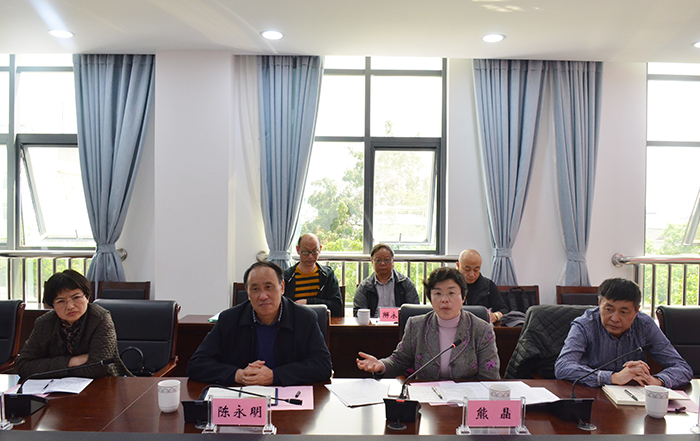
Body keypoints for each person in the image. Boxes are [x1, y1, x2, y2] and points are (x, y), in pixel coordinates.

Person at [187, 261, 332, 386]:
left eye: (269, 287)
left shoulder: (304, 319)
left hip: (288, 397)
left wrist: (274, 376)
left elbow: (323, 366)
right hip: (243, 396)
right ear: (248, 292)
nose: (263, 296)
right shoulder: (229, 319)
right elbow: (197, 364)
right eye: (255, 289)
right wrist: (238, 374)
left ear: (282, 287)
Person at [356, 267, 500, 380]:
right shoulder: (416, 325)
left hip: (465, 401)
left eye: (451, 293)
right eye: (438, 293)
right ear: (430, 298)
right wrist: (381, 365)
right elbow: (399, 361)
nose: (444, 300)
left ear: (463, 297)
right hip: (426, 400)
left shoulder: (482, 330)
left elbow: (489, 377)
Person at [555, 278, 692, 388]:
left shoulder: (645, 325)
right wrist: (613, 377)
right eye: (609, 309)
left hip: (633, 397)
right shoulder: (585, 324)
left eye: (624, 312)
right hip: (592, 394)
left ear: (636, 311)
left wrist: (657, 381)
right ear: (599, 303)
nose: (615, 319)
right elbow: (563, 367)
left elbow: (682, 368)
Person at [17, 270, 129, 379]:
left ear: (87, 297)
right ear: (52, 305)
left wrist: (51, 368)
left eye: (76, 297)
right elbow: (23, 366)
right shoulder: (44, 323)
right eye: (61, 301)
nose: (70, 306)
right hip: (55, 387)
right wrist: (71, 361)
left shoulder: (100, 319)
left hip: (103, 384)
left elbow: (98, 368)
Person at [283, 233, 343, 317]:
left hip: (320, 322)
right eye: (306, 252)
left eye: (315, 252)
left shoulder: (327, 276)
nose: (310, 256)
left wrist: (308, 302)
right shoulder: (287, 277)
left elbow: (337, 307)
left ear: (320, 249)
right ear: (298, 250)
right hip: (294, 322)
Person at [353, 243, 419, 317]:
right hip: (373, 323)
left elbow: (414, 310)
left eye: (387, 260)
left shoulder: (405, 283)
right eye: (378, 260)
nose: (382, 263)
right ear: (372, 261)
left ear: (393, 261)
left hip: (400, 323)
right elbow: (358, 312)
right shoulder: (364, 286)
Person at [456, 249, 508, 323]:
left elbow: (503, 309)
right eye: (467, 269)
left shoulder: (488, 286)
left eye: (476, 270)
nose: (472, 274)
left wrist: (495, 316)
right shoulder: (450, 285)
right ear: (458, 266)